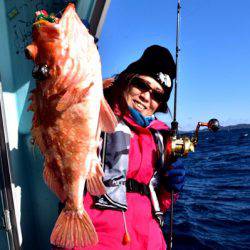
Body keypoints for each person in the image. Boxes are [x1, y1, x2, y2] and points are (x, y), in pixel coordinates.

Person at [53, 45, 185, 250]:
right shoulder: (95, 112)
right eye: (142, 84)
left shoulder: (161, 136)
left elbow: (161, 203)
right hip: (96, 240)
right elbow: (60, 106)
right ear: (128, 79)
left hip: (150, 241)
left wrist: (170, 189)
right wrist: (71, 53)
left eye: (157, 95)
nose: (146, 97)